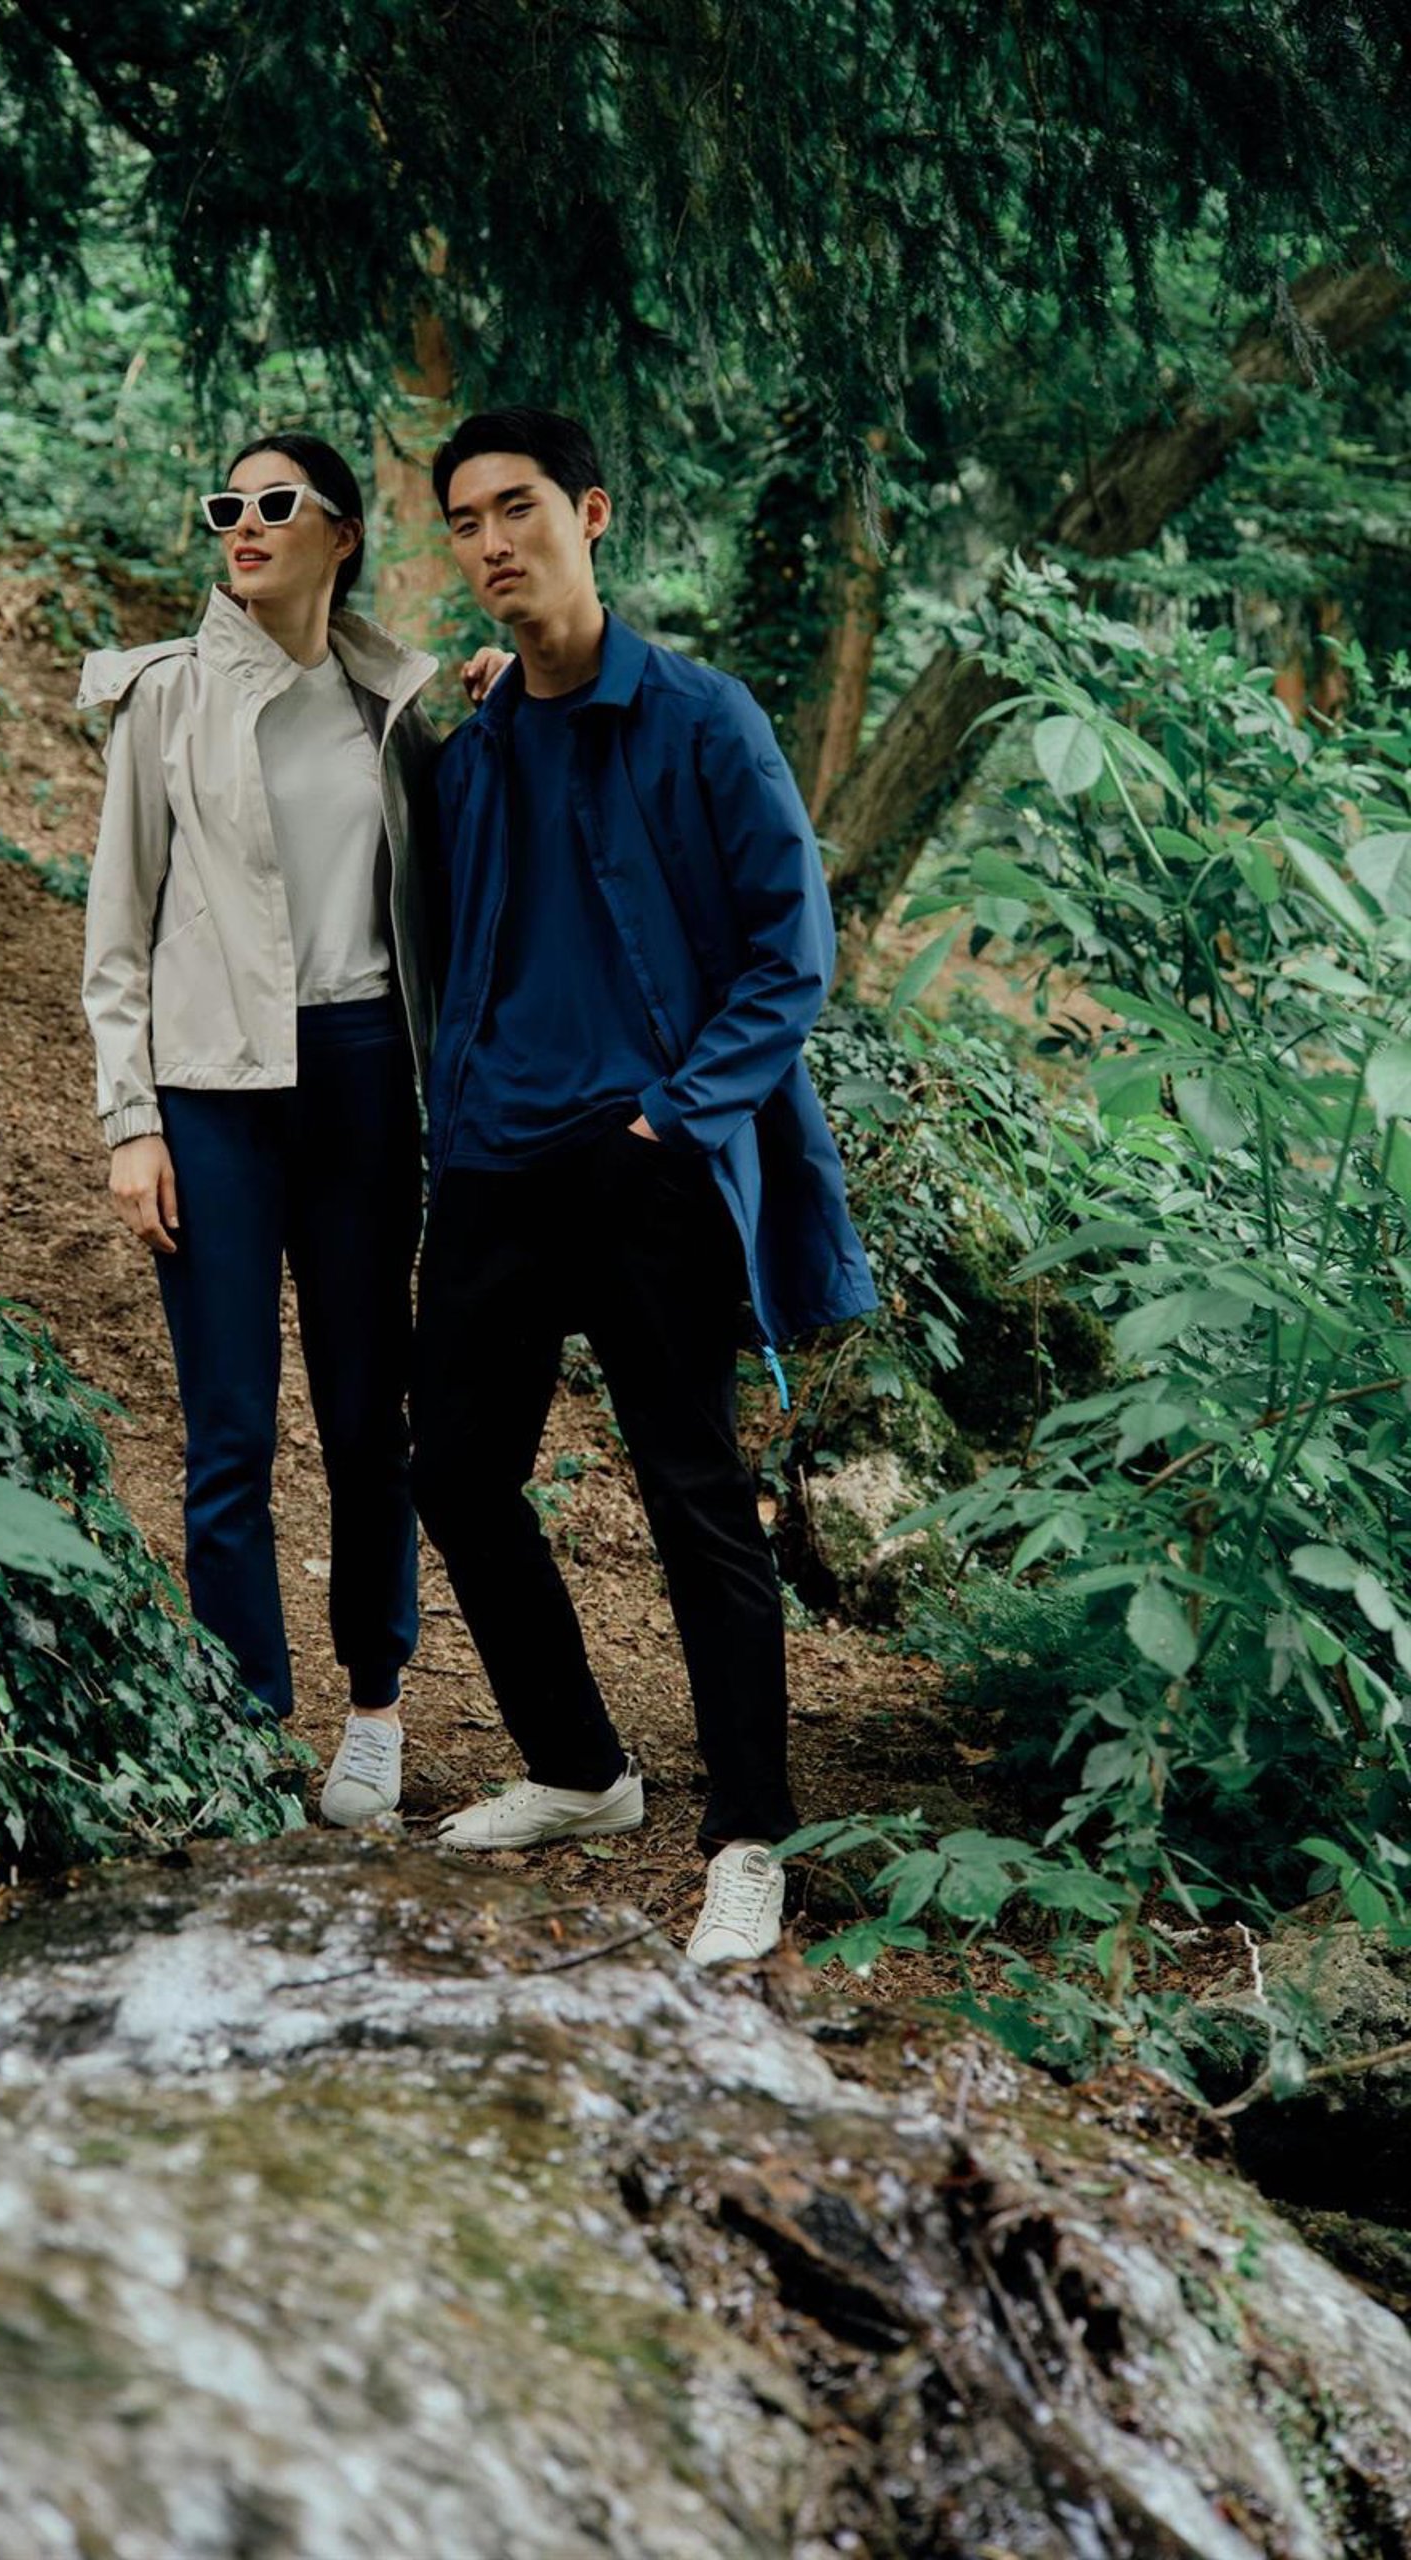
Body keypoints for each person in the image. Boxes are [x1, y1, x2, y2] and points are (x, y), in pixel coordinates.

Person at [411, 405, 877, 1964]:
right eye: (466, 519)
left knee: (694, 1497)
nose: (493, 542)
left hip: (642, 1163)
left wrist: (675, 1120)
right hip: (491, 1162)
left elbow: (791, 953)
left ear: (590, 513)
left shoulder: (701, 718)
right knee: (455, 1473)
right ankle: (578, 1769)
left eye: (519, 507)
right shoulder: (478, 750)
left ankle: (749, 1836)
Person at [79, 433, 504, 1828]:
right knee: (227, 1429)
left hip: (365, 1074)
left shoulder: (396, 704)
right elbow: (117, 935)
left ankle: (374, 1709)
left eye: (276, 504)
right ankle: (246, 1721)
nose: (244, 525)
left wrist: (500, 707)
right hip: (213, 1088)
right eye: (229, 506)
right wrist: (131, 1120)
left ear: (341, 534)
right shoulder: (166, 696)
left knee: (367, 1416)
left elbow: (463, 860)